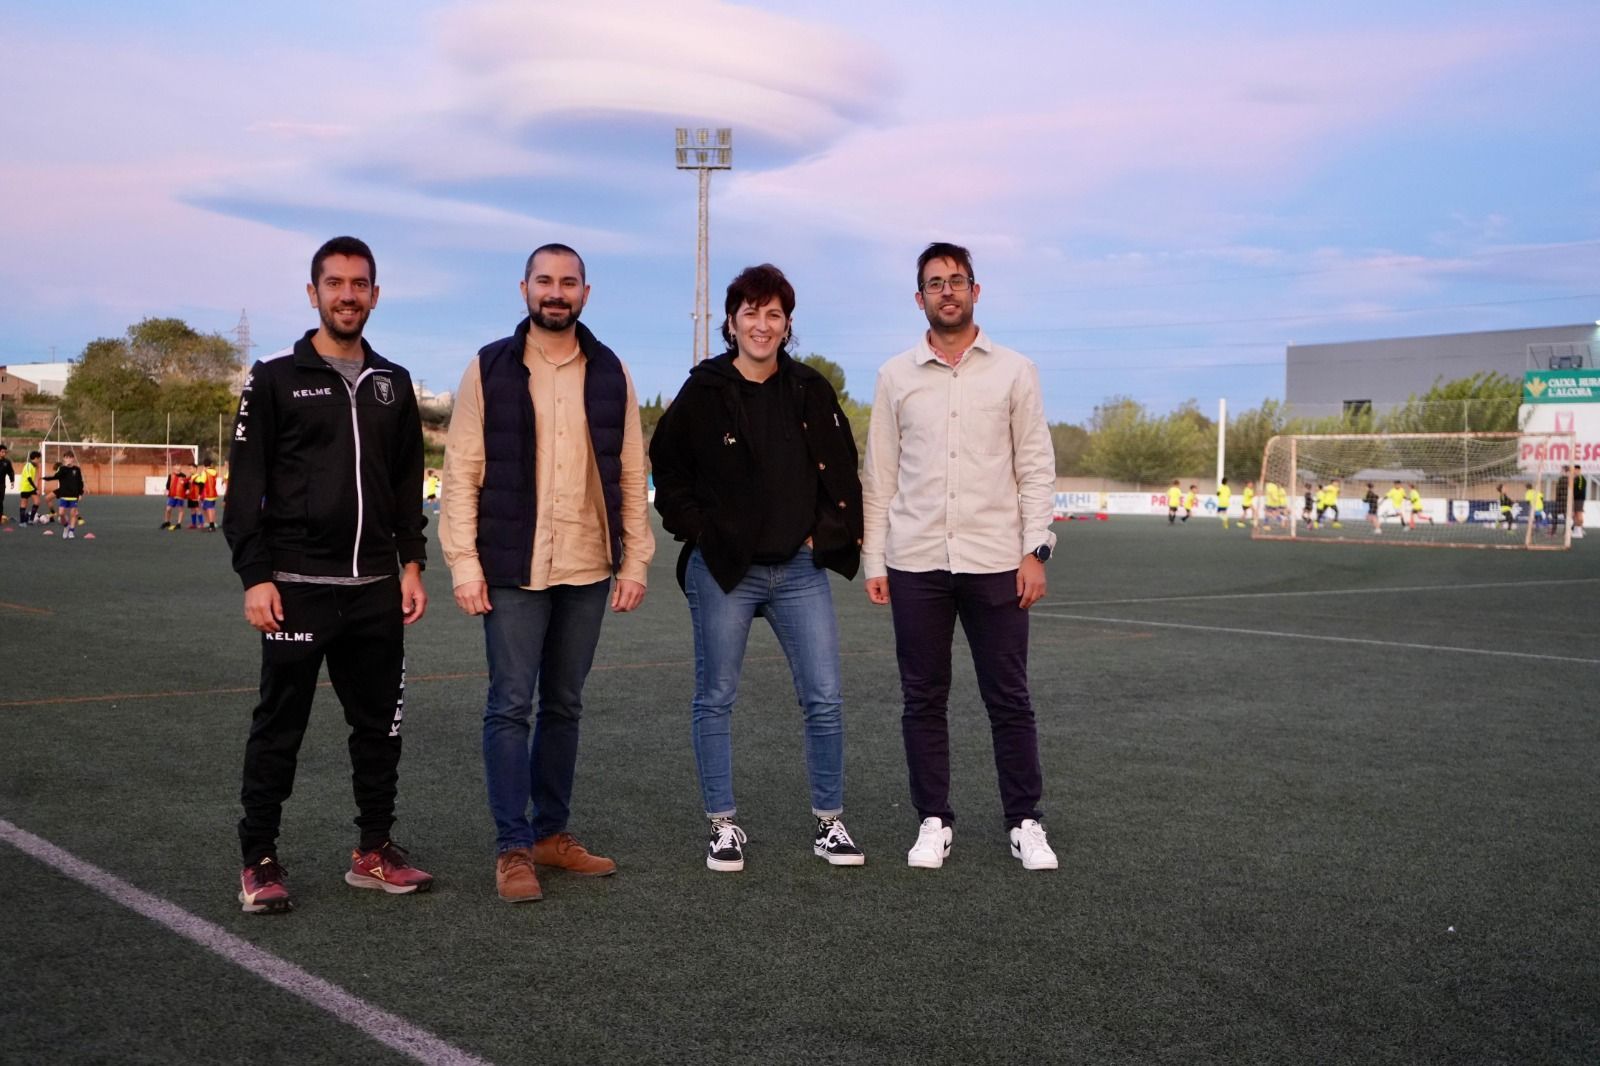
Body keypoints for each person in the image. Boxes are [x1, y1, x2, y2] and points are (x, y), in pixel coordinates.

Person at [223, 236, 432, 915]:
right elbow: (245, 486)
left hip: (374, 588)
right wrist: (257, 575)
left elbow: (405, 486)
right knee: (279, 727)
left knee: (380, 729)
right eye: (335, 283)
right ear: (313, 293)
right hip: (296, 585)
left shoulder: (392, 383)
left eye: (360, 283)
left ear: (375, 294)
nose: (348, 294)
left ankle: (374, 850)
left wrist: (411, 563)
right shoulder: (276, 377)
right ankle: (258, 859)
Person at [440, 243, 655, 902]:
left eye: (568, 282)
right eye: (544, 281)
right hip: (511, 567)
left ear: (585, 293)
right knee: (510, 706)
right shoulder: (490, 368)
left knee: (563, 706)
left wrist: (635, 558)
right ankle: (512, 849)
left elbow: (629, 469)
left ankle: (550, 835)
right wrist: (463, 563)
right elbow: (462, 469)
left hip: (588, 565)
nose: (555, 292)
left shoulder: (611, 370)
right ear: (524, 289)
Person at [652, 263, 865, 873]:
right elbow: (667, 471)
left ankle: (830, 823)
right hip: (724, 572)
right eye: (751, 313)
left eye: (774, 314)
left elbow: (842, 468)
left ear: (787, 324)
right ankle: (723, 825)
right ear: (731, 321)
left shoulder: (810, 389)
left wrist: (819, 536)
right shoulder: (704, 390)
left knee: (824, 698)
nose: (762, 324)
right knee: (715, 697)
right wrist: (702, 532)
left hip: (799, 571)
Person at [862, 241, 1058, 872]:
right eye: (935, 283)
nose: (947, 291)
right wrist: (875, 560)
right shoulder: (895, 375)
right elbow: (880, 475)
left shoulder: (1015, 370)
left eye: (958, 281)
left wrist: (1035, 550)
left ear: (977, 291)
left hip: (998, 560)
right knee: (923, 697)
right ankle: (933, 820)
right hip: (915, 560)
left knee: (1009, 696)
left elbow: (1035, 466)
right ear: (919, 298)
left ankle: (1025, 821)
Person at [41, 451, 85, 539]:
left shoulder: (77, 469)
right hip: (64, 494)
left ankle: (71, 532)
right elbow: (56, 476)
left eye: (70, 457)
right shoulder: (62, 469)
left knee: (72, 514)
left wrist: (80, 493)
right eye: (66, 458)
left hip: (73, 495)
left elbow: (80, 482)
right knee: (61, 514)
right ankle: (66, 526)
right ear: (64, 459)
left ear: (73, 459)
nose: (68, 459)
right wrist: (45, 478)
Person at [162, 465, 189, 530]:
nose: (178, 471)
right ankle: (167, 522)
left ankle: (179, 523)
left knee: (180, 509)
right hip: (172, 495)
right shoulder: (170, 475)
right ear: (173, 470)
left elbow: (186, 485)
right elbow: (168, 484)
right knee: (168, 509)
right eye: (177, 470)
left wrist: (187, 489)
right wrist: (166, 489)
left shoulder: (183, 476)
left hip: (180, 495)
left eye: (179, 469)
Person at [18, 450, 41, 525]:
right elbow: (29, 478)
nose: (39, 460)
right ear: (36, 458)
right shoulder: (28, 465)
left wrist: (38, 468)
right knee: (24, 503)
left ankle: (31, 519)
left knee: (37, 502)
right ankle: (22, 522)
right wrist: (36, 488)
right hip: (25, 487)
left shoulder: (34, 466)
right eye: (39, 459)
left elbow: (37, 477)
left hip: (31, 487)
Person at [200, 459, 220, 531]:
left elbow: (201, 481)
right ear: (211, 464)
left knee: (209, 509)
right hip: (214, 493)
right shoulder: (215, 472)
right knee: (212, 508)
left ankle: (211, 525)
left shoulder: (204, 472)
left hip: (207, 493)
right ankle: (212, 522)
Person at [1572, 465, 1587, 539]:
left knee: (1578, 514)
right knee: (1574, 514)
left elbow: (1580, 490)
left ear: (1578, 470)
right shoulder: (1574, 478)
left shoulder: (1581, 478)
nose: (1574, 471)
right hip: (1574, 499)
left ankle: (1579, 531)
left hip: (1579, 499)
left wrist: (1573, 496)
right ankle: (1576, 529)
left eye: (1575, 470)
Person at [0, 444, 13, 525]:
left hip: (1, 485)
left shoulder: (7, 462)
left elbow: (10, 472)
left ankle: (0, 517)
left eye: (5, 452)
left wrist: (12, 481)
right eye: (2, 452)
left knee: (0, 501)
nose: (4, 453)